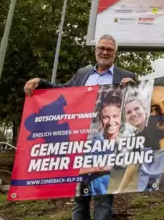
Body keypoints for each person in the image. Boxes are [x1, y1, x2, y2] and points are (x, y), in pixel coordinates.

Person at [23, 34, 136, 220]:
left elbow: (134, 106)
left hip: (107, 146)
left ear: (115, 53)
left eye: (109, 49)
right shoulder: (83, 74)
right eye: (101, 48)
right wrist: (40, 83)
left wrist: (133, 88)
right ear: (95, 50)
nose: (105, 52)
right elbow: (63, 91)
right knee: (79, 200)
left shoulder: (126, 76)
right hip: (79, 146)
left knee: (103, 199)